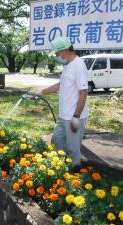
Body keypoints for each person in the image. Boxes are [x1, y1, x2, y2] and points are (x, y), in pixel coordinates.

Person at [35, 37, 89, 172]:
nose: (56, 56)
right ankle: (60, 168)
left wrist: (76, 115)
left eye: (57, 53)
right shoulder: (67, 65)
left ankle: (74, 174)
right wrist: (42, 92)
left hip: (74, 116)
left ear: (65, 50)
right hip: (64, 115)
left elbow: (83, 92)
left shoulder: (78, 65)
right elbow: (61, 85)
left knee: (73, 148)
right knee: (56, 141)